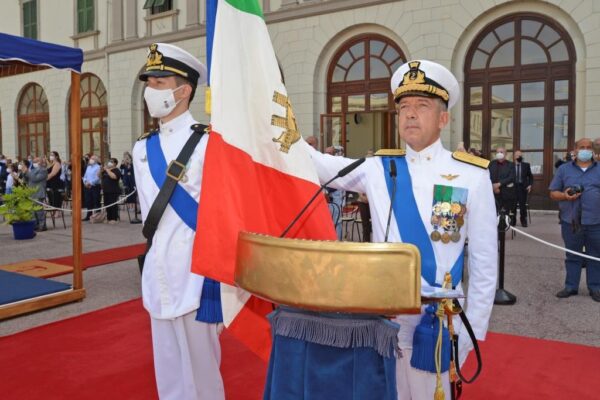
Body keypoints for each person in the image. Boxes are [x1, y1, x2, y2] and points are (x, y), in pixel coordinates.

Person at [303, 60, 498, 399]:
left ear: (443, 118)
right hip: (386, 317)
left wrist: (471, 332)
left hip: (435, 321)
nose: (410, 114)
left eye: (422, 106)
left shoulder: (472, 175)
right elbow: (318, 164)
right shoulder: (378, 168)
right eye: (404, 107)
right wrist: (273, 126)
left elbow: (484, 262)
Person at [132, 43, 224, 400]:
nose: (150, 90)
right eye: (149, 82)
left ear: (183, 91)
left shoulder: (209, 142)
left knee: (203, 378)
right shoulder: (142, 148)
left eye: (159, 83)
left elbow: (221, 213)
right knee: (169, 376)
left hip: (196, 275)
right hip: (158, 273)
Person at [549, 138, 600, 302]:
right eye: (582, 147)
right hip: (570, 221)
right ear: (575, 150)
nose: (585, 150)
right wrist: (564, 195)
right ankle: (571, 286)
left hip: (596, 221)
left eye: (588, 147)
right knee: (572, 255)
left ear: (592, 150)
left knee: (595, 255)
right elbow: (553, 193)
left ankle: (595, 287)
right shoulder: (564, 169)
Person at [489, 146, 516, 222]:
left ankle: (503, 227)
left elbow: (511, 177)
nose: (499, 154)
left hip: (506, 194)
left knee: (504, 216)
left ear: (505, 154)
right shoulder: (491, 164)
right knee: (493, 214)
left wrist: (499, 184)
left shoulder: (511, 165)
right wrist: (493, 187)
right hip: (493, 193)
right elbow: (487, 176)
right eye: (497, 152)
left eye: (501, 152)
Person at [512, 150, 533, 227]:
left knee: (522, 205)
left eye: (520, 155)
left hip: (522, 187)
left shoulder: (526, 165)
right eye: (517, 155)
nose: (518, 157)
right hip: (513, 187)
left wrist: (530, 185)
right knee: (513, 205)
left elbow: (530, 177)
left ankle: (523, 220)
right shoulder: (510, 165)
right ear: (514, 157)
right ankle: (513, 220)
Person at [27, 157, 48, 231]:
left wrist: (27, 172)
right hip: (32, 192)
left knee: (39, 211)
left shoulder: (43, 170)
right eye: (34, 161)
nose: (34, 163)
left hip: (39, 192)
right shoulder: (32, 170)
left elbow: (35, 178)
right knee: (33, 211)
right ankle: (35, 225)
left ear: (40, 162)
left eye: (36, 161)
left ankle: (42, 225)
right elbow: (28, 179)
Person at [100, 157, 122, 224]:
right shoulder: (106, 170)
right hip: (106, 190)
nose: (109, 162)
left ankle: (114, 218)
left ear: (115, 163)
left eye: (111, 161)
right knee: (107, 204)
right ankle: (108, 218)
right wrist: (101, 169)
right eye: (109, 161)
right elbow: (99, 176)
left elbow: (114, 177)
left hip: (113, 190)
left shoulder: (116, 170)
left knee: (113, 205)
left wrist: (107, 170)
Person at [82, 155, 101, 221]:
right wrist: (85, 182)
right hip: (87, 186)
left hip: (95, 186)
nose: (91, 160)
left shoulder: (98, 167)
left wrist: (90, 183)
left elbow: (98, 178)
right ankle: (88, 215)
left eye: (93, 159)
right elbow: (85, 176)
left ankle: (97, 216)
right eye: (91, 158)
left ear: (96, 160)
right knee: (88, 201)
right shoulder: (88, 167)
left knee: (96, 201)